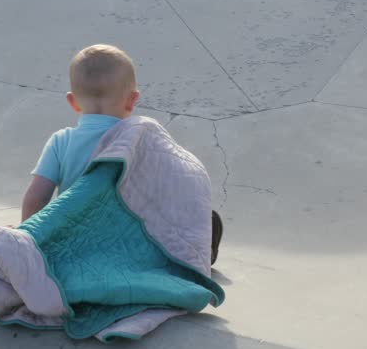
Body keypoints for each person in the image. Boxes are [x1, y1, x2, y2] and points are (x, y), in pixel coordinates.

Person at [21, 44, 222, 264]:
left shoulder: (61, 141)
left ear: (73, 102)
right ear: (132, 100)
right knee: (197, 218)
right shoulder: (139, 141)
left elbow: (37, 197)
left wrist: (29, 240)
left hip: (75, 240)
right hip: (127, 243)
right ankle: (199, 249)